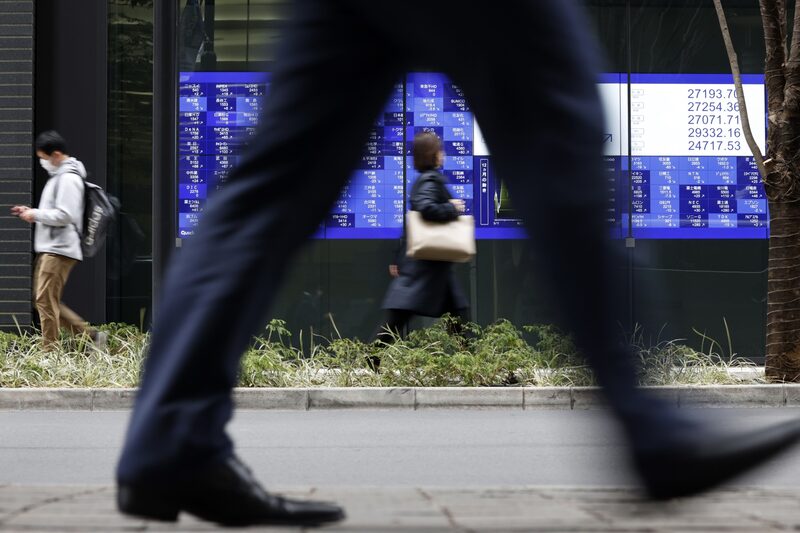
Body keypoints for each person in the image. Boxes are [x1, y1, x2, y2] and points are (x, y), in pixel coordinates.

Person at [117, 0, 800, 527]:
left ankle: (171, 438)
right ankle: (652, 431)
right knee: (560, 129)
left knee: (272, 183)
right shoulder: (430, 180)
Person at [11, 131, 107, 350]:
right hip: (53, 248)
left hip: (59, 250)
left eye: (43, 158)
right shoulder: (61, 178)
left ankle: (50, 351)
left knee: (44, 301)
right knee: (45, 300)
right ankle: (91, 337)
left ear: (55, 155)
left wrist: (35, 215)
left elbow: (66, 214)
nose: (42, 163)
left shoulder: (68, 179)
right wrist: (32, 212)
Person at [375, 132, 469, 349]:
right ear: (433, 154)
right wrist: (452, 208)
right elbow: (425, 208)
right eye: (440, 150)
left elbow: (411, 223)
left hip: (432, 267)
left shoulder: (425, 179)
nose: (443, 154)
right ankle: (372, 358)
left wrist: (398, 257)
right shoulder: (430, 180)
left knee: (457, 316)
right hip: (426, 267)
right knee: (399, 318)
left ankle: (472, 364)